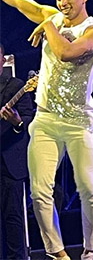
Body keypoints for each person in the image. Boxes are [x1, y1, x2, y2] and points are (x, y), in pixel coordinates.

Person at [0, 0, 93, 260]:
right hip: (46, 119)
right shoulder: (52, 17)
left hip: (79, 120)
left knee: (89, 189)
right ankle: (58, 254)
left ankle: (90, 251)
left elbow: (66, 53)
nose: (62, 3)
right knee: (39, 192)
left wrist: (47, 25)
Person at [0, 44, 34, 259]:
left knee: (13, 219)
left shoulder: (16, 86)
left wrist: (17, 122)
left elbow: (28, 120)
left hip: (9, 162)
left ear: (3, 59)